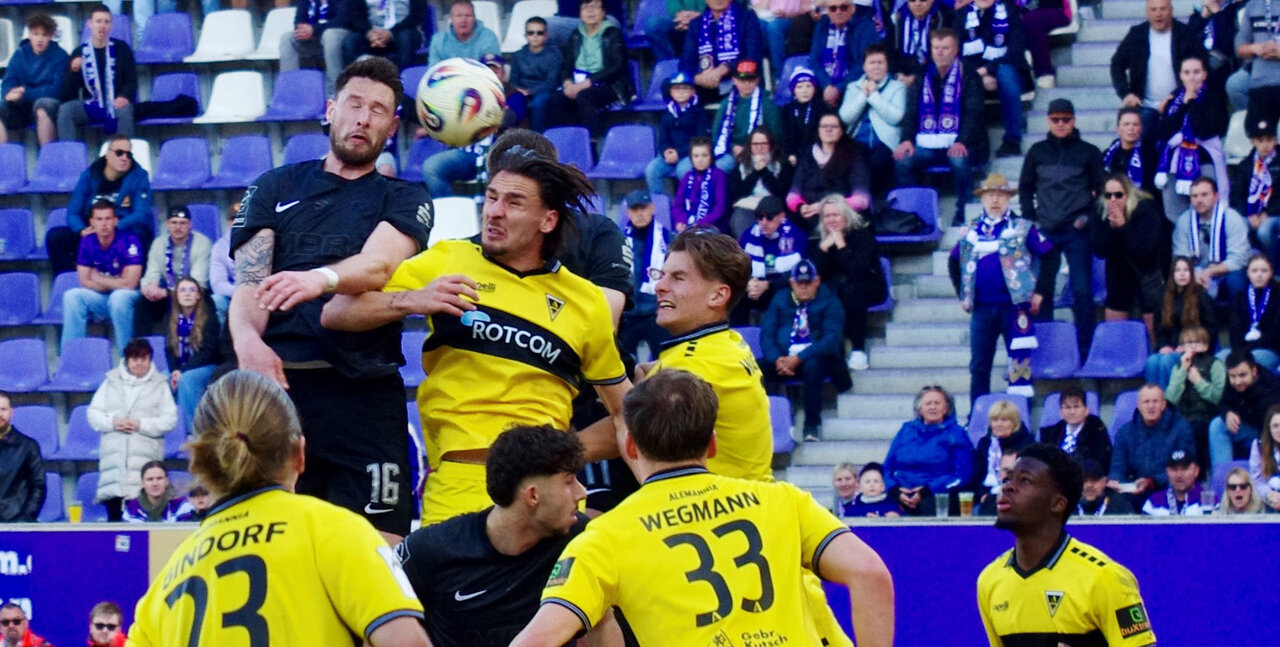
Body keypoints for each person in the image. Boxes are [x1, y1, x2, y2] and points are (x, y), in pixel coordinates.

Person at [322, 141, 629, 527]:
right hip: (458, 487)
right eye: (492, 197)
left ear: (547, 221)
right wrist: (414, 299)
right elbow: (337, 312)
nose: (494, 211)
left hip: (549, 489)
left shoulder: (585, 301)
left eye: (514, 202)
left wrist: (564, 454)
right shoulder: (449, 259)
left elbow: (626, 414)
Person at [509, 369, 896, 647]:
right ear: (712, 443)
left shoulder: (605, 536)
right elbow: (870, 573)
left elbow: (536, 640)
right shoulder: (783, 500)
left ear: (630, 447)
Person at [229, 58, 432, 541]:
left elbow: (378, 266)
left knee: (378, 551)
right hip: (281, 395)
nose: (363, 118)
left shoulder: (405, 197)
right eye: (355, 104)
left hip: (365, 397)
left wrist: (318, 279)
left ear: (392, 127)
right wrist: (247, 340)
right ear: (331, 110)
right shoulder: (274, 186)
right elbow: (250, 282)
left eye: (378, 110)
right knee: (277, 548)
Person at [128, 371, 430, 645]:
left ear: (200, 464)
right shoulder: (335, 531)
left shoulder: (162, 590)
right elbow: (408, 643)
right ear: (299, 453)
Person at [396, 425, 598, 646]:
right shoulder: (428, 551)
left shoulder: (578, 538)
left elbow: (602, 623)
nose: (582, 492)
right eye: (569, 481)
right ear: (533, 495)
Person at [978, 443, 1156, 646]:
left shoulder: (1104, 577)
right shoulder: (990, 580)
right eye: (1007, 479)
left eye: (1025, 480)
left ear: (1057, 503)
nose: (1007, 487)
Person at [643, 228, 774, 483]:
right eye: (661, 275)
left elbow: (626, 429)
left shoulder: (692, 362)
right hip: (752, 496)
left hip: (717, 502)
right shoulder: (729, 341)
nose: (659, 287)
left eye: (678, 278)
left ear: (718, 295)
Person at [952, 173, 1053, 402]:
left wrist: (1040, 292)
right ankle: (977, 413)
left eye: (1000, 195)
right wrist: (962, 293)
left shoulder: (1022, 227)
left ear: (1008, 198)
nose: (995, 200)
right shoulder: (972, 230)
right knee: (979, 366)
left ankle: (1022, 413)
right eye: (990, 195)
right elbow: (953, 260)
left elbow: (1050, 255)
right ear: (982, 199)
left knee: (1019, 361)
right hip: (981, 308)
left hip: (1014, 308)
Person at [1019, 98, 1106, 349]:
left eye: (1065, 119)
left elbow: (1102, 192)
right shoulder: (1037, 151)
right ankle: (1047, 346)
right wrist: (1031, 217)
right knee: (1042, 289)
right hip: (1045, 229)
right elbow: (1025, 188)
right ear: (1048, 120)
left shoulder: (1089, 152)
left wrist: (1087, 218)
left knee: (1082, 290)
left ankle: (1085, 347)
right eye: (1055, 119)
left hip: (1076, 231)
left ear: (1074, 120)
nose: (1060, 124)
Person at [894, 28, 988, 226]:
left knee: (958, 159)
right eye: (936, 48)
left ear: (956, 50)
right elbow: (911, 112)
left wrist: (962, 141)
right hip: (928, 144)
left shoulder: (970, 75)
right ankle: (913, 215)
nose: (940, 52)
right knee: (902, 160)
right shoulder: (922, 76)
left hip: (964, 141)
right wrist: (906, 140)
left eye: (945, 48)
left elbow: (974, 113)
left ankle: (964, 211)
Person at [761, 259, 852, 441]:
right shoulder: (779, 299)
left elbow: (831, 341)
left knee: (814, 365)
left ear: (817, 281)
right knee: (754, 370)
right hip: (784, 359)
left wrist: (800, 357)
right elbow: (767, 334)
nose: (803, 287)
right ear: (791, 283)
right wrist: (777, 359)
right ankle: (766, 427)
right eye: (799, 283)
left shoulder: (830, 300)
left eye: (808, 282)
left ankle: (811, 426)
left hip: (818, 358)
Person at [89, 338, 177, 521]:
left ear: (150, 360)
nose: (139, 363)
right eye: (135, 358)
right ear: (127, 360)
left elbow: (169, 420)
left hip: (145, 461)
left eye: (143, 358)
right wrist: (113, 423)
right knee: (114, 523)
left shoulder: (160, 384)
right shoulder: (110, 381)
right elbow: (93, 414)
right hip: (114, 465)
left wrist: (140, 425)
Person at [48, 134, 153, 275]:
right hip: (92, 227)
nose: (124, 158)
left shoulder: (139, 176)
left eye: (128, 154)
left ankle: (134, 282)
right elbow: (72, 212)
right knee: (56, 237)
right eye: (119, 153)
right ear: (108, 155)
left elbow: (142, 213)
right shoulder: (89, 175)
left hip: (122, 227)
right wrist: (81, 230)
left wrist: (113, 227)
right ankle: (73, 278)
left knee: (141, 235)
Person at [811, 194, 885, 370]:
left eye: (835, 215)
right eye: (827, 216)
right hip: (837, 288)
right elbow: (817, 275)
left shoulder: (863, 236)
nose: (831, 220)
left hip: (868, 285)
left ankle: (858, 349)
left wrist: (841, 245)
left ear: (846, 215)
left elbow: (857, 272)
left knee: (852, 290)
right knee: (824, 292)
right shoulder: (821, 240)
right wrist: (823, 249)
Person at [61, 200, 144, 355]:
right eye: (99, 219)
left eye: (108, 219)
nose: (104, 224)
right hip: (103, 298)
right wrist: (116, 282)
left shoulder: (130, 240)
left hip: (130, 299)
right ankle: (71, 356)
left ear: (115, 220)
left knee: (119, 297)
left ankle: (127, 357)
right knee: (72, 296)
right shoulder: (87, 241)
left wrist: (99, 278)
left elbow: (131, 284)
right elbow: (84, 281)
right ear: (92, 222)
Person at [1109, 0, 1203, 137]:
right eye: (1153, 9)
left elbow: (1201, 67)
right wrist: (1126, 94)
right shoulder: (1137, 34)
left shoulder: (1186, 34)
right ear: (1147, 12)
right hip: (1145, 105)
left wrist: (1175, 96)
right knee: (1141, 134)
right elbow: (1117, 64)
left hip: (1179, 103)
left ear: (1171, 10)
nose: (1158, 14)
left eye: (1163, 9)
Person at [1154, 54, 1231, 220]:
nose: (1191, 77)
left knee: (1207, 208)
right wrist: (1183, 104)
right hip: (1175, 159)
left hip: (1205, 157)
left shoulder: (1214, 96)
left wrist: (1191, 102)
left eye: (1196, 72)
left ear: (1204, 74)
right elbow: (1165, 131)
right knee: (1174, 213)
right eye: (1187, 72)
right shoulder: (1175, 98)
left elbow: (1202, 130)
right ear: (1181, 76)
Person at [1091, 172, 1166, 339]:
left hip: (1146, 271)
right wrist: (1111, 228)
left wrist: (1123, 227)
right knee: (1115, 329)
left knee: (1153, 327)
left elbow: (1143, 250)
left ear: (1128, 194)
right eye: (1108, 195)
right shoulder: (1100, 210)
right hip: (1117, 271)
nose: (1113, 200)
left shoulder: (1146, 208)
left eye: (1118, 195)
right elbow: (1100, 249)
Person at [540, 0, 633, 132]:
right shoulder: (576, 34)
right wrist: (567, 83)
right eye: (585, 8)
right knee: (555, 99)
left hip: (608, 84)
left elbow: (615, 66)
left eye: (595, 7)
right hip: (579, 82)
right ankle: (561, 139)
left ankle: (590, 141)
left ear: (603, 13)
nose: (590, 11)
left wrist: (587, 83)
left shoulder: (612, 34)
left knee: (584, 96)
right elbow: (566, 65)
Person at [883, 385, 973, 515]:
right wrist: (894, 490)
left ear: (946, 408)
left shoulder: (956, 434)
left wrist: (927, 491)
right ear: (920, 409)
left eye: (937, 403)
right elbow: (887, 466)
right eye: (928, 403)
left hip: (936, 494)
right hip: (901, 492)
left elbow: (962, 475)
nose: (933, 407)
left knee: (929, 507)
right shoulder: (906, 430)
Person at [954, 0, 1027, 158]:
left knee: (1006, 74)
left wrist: (987, 70)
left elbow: (1015, 52)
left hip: (1005, 68)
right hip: (973, 73)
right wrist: (978, 75)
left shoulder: (1010, 11)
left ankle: (1012, 140)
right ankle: (964, 142)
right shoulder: (962, 15)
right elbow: (956, 53)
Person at [57, 5, 137, 140]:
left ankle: (123, 150)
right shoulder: (79, 52)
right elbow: (67, 94)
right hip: (91, 104)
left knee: (125, 111)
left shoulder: (122, 49)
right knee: (66, 110)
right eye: (98, 21)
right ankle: (69, 151)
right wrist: (73, 72)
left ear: (111, 25)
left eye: (106, 22)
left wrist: (124, 96)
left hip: (116, 103)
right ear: (89, 24)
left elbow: (132, 81)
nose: (102, 26)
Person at [134, 205, 213, 338]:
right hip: (166, 293)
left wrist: (167, 292)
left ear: (190, 225)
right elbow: (151, 275)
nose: (177, 227)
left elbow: (199, 283)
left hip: (194, 294)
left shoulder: (202, 243)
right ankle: (141, 345)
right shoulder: (158, 244)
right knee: (143, 304)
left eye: (182, 223)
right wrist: (149, 288)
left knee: (191, 301)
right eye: (173, 223)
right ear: (167, 224)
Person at [1108, 383, 1195, 502]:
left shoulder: (1181, 429)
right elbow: (1117, 467)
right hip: (1135, 492)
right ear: (1139, 406)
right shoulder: (1124, 432)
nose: (1151, 406)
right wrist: (1115, 480)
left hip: (1169, 490)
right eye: (1146, 402)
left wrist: (1152, 482)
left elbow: (1184, 469)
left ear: (1163, 405)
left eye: (1155, 401)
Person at [838, 43, 905, 198]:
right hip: (857, 140)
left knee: (876, 163)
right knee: (851, 163)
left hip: (884, 142)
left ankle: (870, 202)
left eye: (880, 62)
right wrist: (863, 95)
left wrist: (874, 96)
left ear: (887, 65)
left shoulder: (897, 87)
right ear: (864, 66)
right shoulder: (853, 87)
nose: (876, 67)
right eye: (872, 63)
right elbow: (846, 117)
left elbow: (896, 118)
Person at [787, 113, 871, 236]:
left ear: (841, 131)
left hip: (842, 219)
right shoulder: (807, 156)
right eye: (824, 126)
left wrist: (824, 207)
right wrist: (801, 207)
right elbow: (792, 195)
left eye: (834, 126)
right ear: (818, 130)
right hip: (808, 217)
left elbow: (862, 200)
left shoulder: (855, 157)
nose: (828, 129)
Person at [1171, 177, 1250, 300]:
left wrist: (1210, 272)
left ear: (1216, 196)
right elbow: (1180, 256)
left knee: (1236, 280)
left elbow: (1238, 259)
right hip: (1197, 273)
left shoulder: (1232, 218)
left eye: (1204, 195)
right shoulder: (1184, 221)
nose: (1199, 200)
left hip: (1226, 272)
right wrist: (1195, 273)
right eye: (1194, 196)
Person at [734, 195, 808, 324]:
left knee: (783, 296)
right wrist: (749, 283)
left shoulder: (797, 236)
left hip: (781, 287)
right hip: (754, 286)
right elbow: (737, 266)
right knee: (736, 295)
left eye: (769, 217)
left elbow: (800, 273)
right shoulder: (749, 235)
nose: (763, 222)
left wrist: (768, 285)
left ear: (782, 216)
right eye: (759, 217)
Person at [618, 190, 673, 362]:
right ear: (628, 212)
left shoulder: (669, 240)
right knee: (621, 364)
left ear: (652, 208)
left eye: (643, 208)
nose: (640, 214)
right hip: (628, 315)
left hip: (657, 314)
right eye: (635, 210)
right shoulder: (617, 241)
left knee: (668, 363)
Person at [1147, 256, 1217, 386]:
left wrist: (1188, 345)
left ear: (1191, 273)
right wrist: (1163, 346)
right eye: (1178, 270)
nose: (1182, 274)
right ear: (1172, 274)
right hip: (1170, 347)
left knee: (1166, 361)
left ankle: (1168, 398)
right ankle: (1152, 396)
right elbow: (1159, 329)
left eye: (1186, 270)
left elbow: (1210, 329)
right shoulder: (1163, 298)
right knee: (1152, 361)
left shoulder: (1202, 297)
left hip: (1193, 347)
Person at [0, 13, 67, 147]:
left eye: (44, 35)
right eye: (36, 34)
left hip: (48, 106)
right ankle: (3, 156)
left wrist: (24, 93)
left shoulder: (60, 56)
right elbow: (8, 81)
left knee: (43, 106)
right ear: (30, 35)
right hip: (22, 106)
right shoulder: (20, 54)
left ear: (51, 36)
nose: (39, 39)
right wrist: (9, 94)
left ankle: (48, 155)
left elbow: (55, 90)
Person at [680, 0, 766, 102]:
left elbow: (752, 56)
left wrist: (723, 69)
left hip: (740, 81)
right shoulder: (696, 24)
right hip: (705, 85)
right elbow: (686, 62)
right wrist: (699, 78)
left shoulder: (747, 18)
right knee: (679, 88)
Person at [164, 277, 222, 427]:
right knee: (161, 379)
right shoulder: (170, 319)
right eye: (182, 290)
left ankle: (191, 428)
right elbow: (169, 350)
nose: (187, 294)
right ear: (176, 295)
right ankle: (168, 427)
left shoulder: (209, 317)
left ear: (198, 295)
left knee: (187, 379)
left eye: (192, 290)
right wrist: (175, 370)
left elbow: (209, 353)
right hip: (181, 368)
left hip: (207, 366)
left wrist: (182, 371)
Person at [1164, 326, 1224, 466]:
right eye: (1188, 343)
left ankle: (1200, 470)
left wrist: (1199, 382)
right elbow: (1171, 398)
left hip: (1208, 414)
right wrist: (1182, 371)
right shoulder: (1178, 367)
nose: (1193, 346)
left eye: (1198, 342)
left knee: (1195, 427)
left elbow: (1219, 396)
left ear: (1206, 345)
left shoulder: (1215, 364)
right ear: (1181, 347)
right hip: (1184, 414)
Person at [1210, 348, 1280, 469]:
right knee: (1217, 425)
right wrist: (1227, 413)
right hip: (1248, 425)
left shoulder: (1269, 391)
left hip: (1267, 431)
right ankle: (1222, 474)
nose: (1237, 381)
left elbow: (1269, 429)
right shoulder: (1233, 379)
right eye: (1232, 376)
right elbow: (1224, 402)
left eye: (1242, 375)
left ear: (1254, 371)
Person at [709, 60, 783, 173]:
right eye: (742, 80)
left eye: (751, 80)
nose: (747, 84)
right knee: (719, 167)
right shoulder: (726, 104)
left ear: (757, 80)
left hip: (760, 151)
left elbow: (775, 134)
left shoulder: (768, 103)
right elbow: (717, 134)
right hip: (731, 151)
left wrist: (751, 149)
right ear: (734, 80)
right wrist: (733, 147)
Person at [646, 72, 710, 196]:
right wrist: (666, 151)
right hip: (670, 154)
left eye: (685, 88)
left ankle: (689, 202)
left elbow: (701, 139)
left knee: (683, 170)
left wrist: (679, 153)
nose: (681, 92)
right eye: (677, 89)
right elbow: (663, 137)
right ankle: (659, 203)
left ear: (693, 91)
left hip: (689, 154)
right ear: (671, 91)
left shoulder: (699, 112)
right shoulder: (668, 112)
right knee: (652, 170)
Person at [281, 0, 362, 97]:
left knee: (329, 35)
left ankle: (334, 94)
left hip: (339, 34)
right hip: (314, 38)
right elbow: (298, 21)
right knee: (287, 38)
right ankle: (289, 94)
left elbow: (343, 21)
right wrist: (303, 30)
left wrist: (314, 29)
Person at [808, 0, 881, 107]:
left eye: (843, 7)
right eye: (833, 8)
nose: (838, 12)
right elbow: (813, 61)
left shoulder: (866, 27)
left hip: (854, 87)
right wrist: (827, 85)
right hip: (824, 88)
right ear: (828, 11)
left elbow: (864, 63)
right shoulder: (822, 25)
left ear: (852, 9)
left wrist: (839, 88)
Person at [727, 126, 794, 238]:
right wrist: (756, 172)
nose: (759, 148)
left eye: (764, 143)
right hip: (748, 206)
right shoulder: (741, 164)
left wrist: (764, 171)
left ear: (770, 144)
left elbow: (781, 192)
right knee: (740, 218)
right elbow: (738, 193)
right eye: (755, 144)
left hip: (773, 205)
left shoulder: (782, 163)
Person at [1231, 119, 1280, 268]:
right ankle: (1247, 268)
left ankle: (1273, 268)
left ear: (1275, 140)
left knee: (1264, 231)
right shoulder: (1245, 166)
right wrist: (1249, 213)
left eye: (1269, 140)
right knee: (1239, 227)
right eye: (1260, 140)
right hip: (1251, 213)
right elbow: (1236, 196)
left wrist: (1267, 213)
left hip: (1275, 213)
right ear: (1253, 142)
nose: (1265, 145)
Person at [970, 401, 1034, 509]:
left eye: (1004, 420)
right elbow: (977, 477)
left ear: (1014, 423)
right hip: (987, 496)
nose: (999, 424)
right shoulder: (985, 443)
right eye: (995, 420)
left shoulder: (1027, 445)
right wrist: (982, 494)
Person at [1226, 254, 1280, 372]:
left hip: (1268, 349)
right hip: (1240, 349)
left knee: (1252, 363)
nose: (1259, 275)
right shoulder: (1239, 298)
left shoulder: (1277, 297)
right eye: (1254, 271)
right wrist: (1240, 351)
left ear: (1271, 273)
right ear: (1248, 273)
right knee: (1220, 360)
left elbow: (1275, 334)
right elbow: (1234, 330)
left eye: (1264, 271)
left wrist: (1247, 350)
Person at [1039, 383, 1113, 469]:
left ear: (1086, 410)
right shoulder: (1050, 435)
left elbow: (1099, 463)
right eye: (1067, 407)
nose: (1072, 412)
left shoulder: (1097, 432)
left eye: (1076, 407)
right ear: (1061, 412)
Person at [508, 17, 562, 127]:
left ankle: (537, 134)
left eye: (539, 33)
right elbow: (514, 79)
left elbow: (551, 82)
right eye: (531, 33)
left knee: (537, 104)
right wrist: (518, 89)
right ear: (525, 36)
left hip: (545, 90)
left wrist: (531, 91)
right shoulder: (518, 55)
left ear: (546, 35)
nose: (535, 36)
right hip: (522, 90)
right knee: (513, 102)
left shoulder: (554, 55)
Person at [342, 0, 425, 72]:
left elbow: (416, 15)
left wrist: (391, 33)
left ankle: (402, 81)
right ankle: (356, 80)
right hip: (373, 33)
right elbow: (357, 16)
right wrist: (369, 33)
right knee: (350, 42)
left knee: (405, 38)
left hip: (404, 30)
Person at [0, 391, 45, 523]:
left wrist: (26, 519)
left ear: (11, 412)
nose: (0, 414)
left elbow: (39, 485)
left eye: (3, 409)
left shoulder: (28, 446)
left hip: (17, 522)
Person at [1235, 0, 1280, 131]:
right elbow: (1239, 48)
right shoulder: (1252, 6)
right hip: (1260, 82)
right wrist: (1255, 48)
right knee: (1261, 136)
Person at [673, 137, 731, 231]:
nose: (700, 160)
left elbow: (720, 208)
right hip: (689, 226)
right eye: (696, 156)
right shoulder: (687, 176)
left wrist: (700, 224)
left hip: (712, 227)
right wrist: (681, 221)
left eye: (704, 155)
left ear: (711, 156)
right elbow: (678, 205)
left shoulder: (719, 175)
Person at [889, 0, 950, 83]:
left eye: (922, 0)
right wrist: (897, 74)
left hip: (929, 77)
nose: (917, 4)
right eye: (912, 0)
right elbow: (890, 49)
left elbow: (940, 56)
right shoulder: (899, 16)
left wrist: (916, 78)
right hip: (900, 74)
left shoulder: (941, 17)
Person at [1104, 107, 1161, 195]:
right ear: (1118, 129)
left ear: (1141, 128)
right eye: (1126, 124)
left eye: (1135, 124)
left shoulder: (1150, 154)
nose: (1131, 128)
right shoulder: (1107, 155)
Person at [779, 68, 831, 161]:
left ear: (814, 89)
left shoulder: (822, 108)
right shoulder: (786, 110)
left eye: (808, 86)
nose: (804, 90)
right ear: (793, 90)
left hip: (818, 155)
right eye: (799, 87)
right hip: (793, 158)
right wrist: (791, 153)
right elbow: (784, 136)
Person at [428, 0, 500, 65]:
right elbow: (433, 70)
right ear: (451, 19)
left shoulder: (488, 38)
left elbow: (494, 69)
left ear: (474, 18)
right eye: (459, 16)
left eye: (468, 16)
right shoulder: (439, 41)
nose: (463, 20)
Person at [1141, 448, 1210, 514]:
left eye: (1185, 469)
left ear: (1196, 471)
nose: (1179, 475)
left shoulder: (1209, 501)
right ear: (1167, 471)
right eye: (1174, 469)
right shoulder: (1153, 503)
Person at [122, 461, 194, 522]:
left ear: (167, 481)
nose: (155, 484)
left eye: (159, 478)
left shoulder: (182, 506)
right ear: (143, 483)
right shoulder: (131, 508)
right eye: (150, 479)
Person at [1249, 403, 1280, 511]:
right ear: (1269, 428)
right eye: (1275, 426)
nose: (1279, 430)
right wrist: (1269, 495)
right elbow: (1256, 480)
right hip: (1269, 501)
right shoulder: (1258, 447)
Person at [209, 205, 237, 323]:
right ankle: (221, 335)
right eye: (234, 219)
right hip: (234, 292)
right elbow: (217, 284)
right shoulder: (220, 246)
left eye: (243, 218)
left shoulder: (263, 240)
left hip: (260, 291)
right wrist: (240, 292)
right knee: (217, 300)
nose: (238, 222)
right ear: (228, 222)